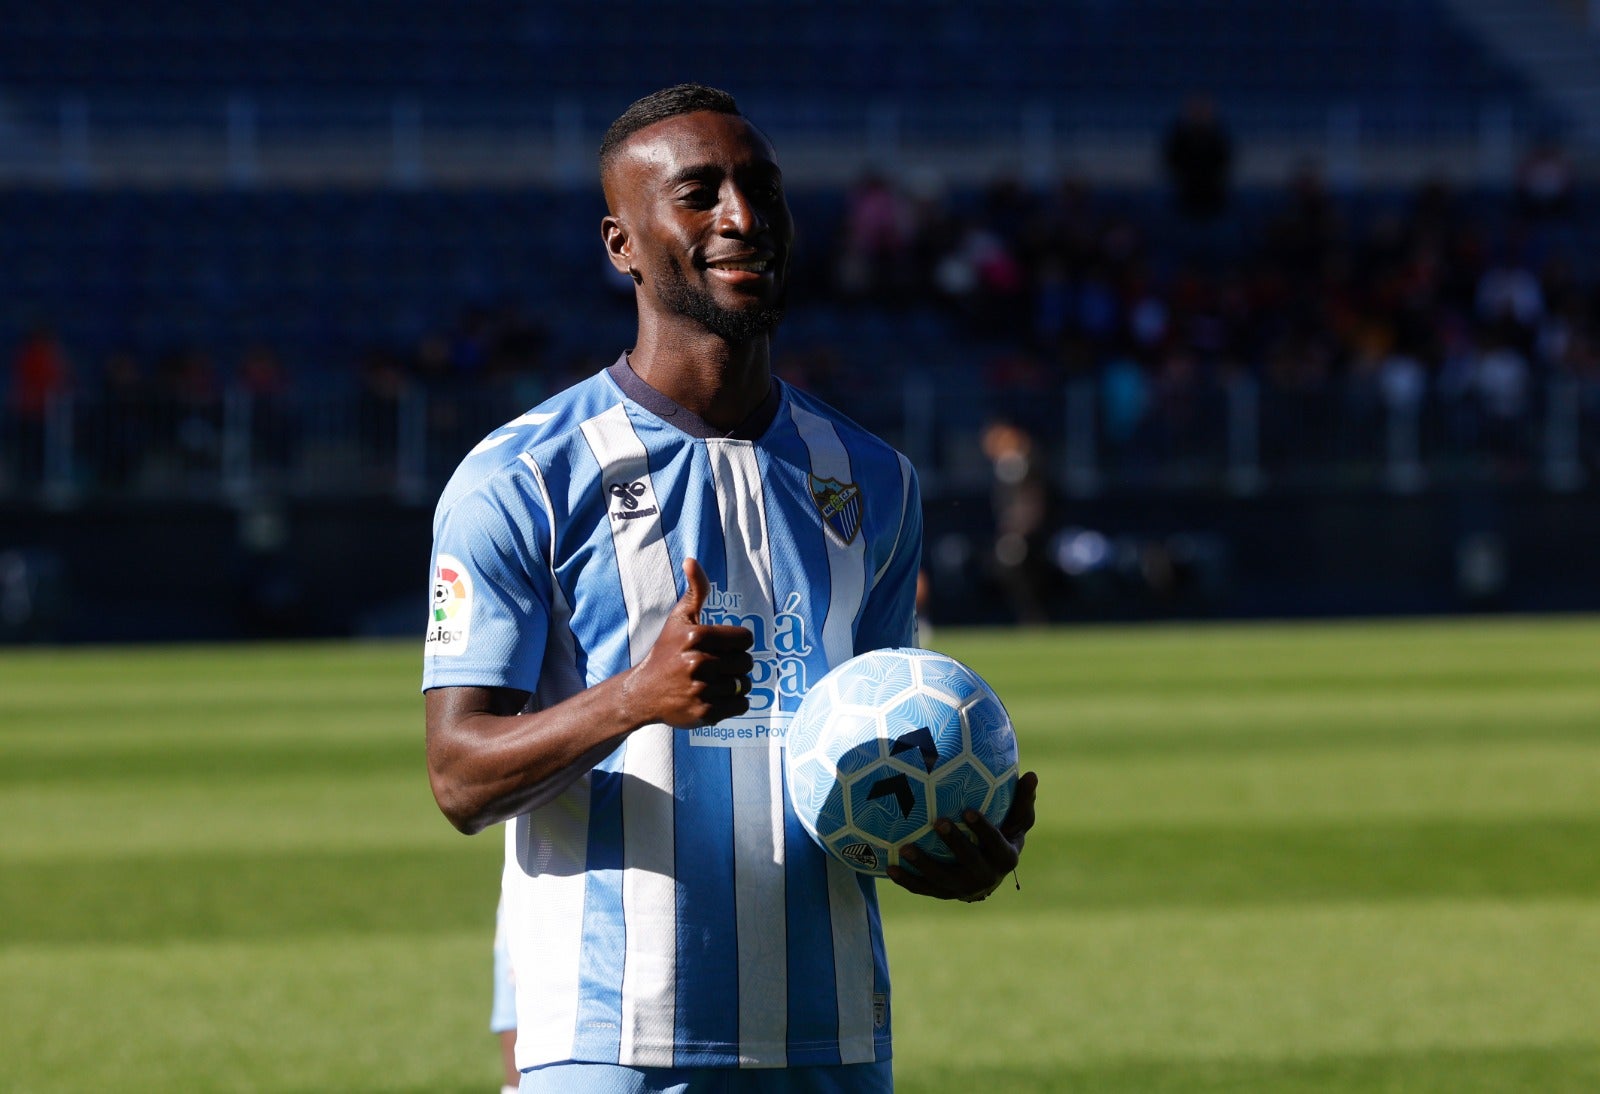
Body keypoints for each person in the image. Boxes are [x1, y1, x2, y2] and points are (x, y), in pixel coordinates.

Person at [423, 83, 1039, 1093]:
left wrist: (943, 838)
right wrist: (635, 695)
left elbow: (868, 751)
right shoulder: (523, 476)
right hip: (612, 1039)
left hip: (833, 1036)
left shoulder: (875, 478)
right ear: (622, 243)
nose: (740, 218)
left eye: (759, 189)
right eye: (698, 194)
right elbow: (458, 774)